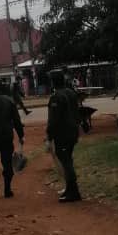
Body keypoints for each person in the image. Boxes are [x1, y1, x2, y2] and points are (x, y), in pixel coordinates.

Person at [46, 71, 81, 202]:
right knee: (68, 160)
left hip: (62, 134)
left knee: (66, 162)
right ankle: (70, 189)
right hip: (72, 132)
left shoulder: (56, 97)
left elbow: (53, 120)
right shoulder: (71, 93)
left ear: (53, 82)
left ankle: (74, 192)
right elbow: (77, 113)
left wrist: (49, 137)